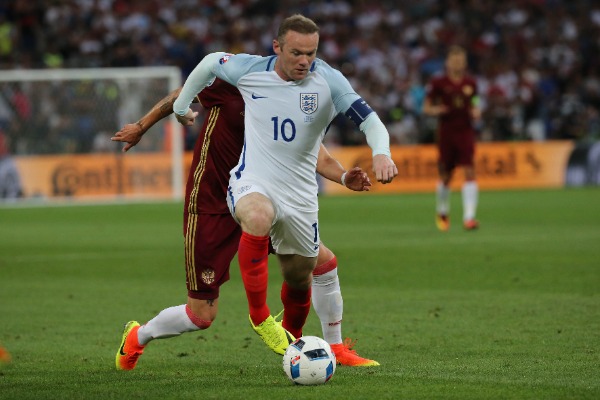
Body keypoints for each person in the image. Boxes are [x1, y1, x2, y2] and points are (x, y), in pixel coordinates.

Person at [112, 79, 380, 369]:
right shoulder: (238, 81)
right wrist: (142, 125)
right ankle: (138, 337)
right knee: (200, 315)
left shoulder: (292, 99)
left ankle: (335, 346)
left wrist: (342, 177)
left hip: (259, 198)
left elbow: (314, 150)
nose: (303, 63)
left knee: (322, 262)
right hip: (211, 204)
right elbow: (182, 92)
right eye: (296, 54)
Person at [172, 14, 397, 357]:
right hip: (251, 181)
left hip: (300, 196)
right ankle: (260, 317)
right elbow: (208, 63)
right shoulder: (250, 70)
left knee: (298, 276)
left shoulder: (328, 80)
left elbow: (371, 121)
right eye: (296, 53)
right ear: (277, 47)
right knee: (258, 216)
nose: (305, 61)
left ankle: (296, 344)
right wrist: (180, 105)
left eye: (311, 52)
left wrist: (381, 153)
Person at [423, 45, 481, 231]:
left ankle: (469, 217)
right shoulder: (439, 83)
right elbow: (426, 107)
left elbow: (475, 100)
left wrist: (476, 109)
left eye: (461, 60)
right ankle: (442, 211)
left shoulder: (471, 83)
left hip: (465, 130)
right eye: (454, 60)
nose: (458, 63)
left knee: (470, 170)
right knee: (446, 175)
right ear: (448, 62)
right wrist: (436, 110)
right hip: (446, 131)